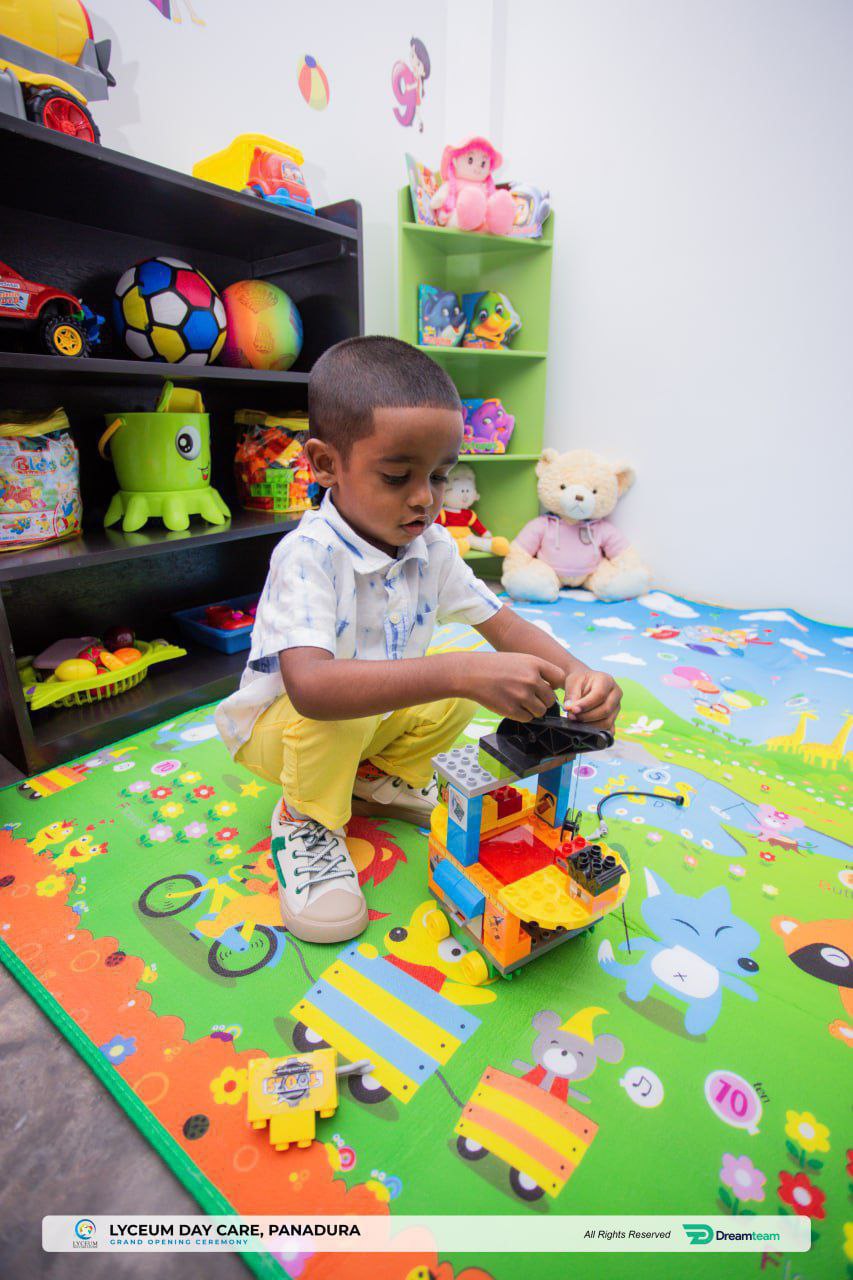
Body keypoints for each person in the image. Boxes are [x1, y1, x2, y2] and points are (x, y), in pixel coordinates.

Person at [215, 337, 621, 944]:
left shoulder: (431, 546)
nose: (425, 498)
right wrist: (459, 671)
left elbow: (504, 627)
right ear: (325, 465)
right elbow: (313, 690)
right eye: (398, 475)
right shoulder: (307, 556)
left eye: (439, 475)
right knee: (414, 685)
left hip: (363, 722)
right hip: (287, 730)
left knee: (467, 678)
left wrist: (576, 673)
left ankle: (376, 779)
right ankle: (305, 819)